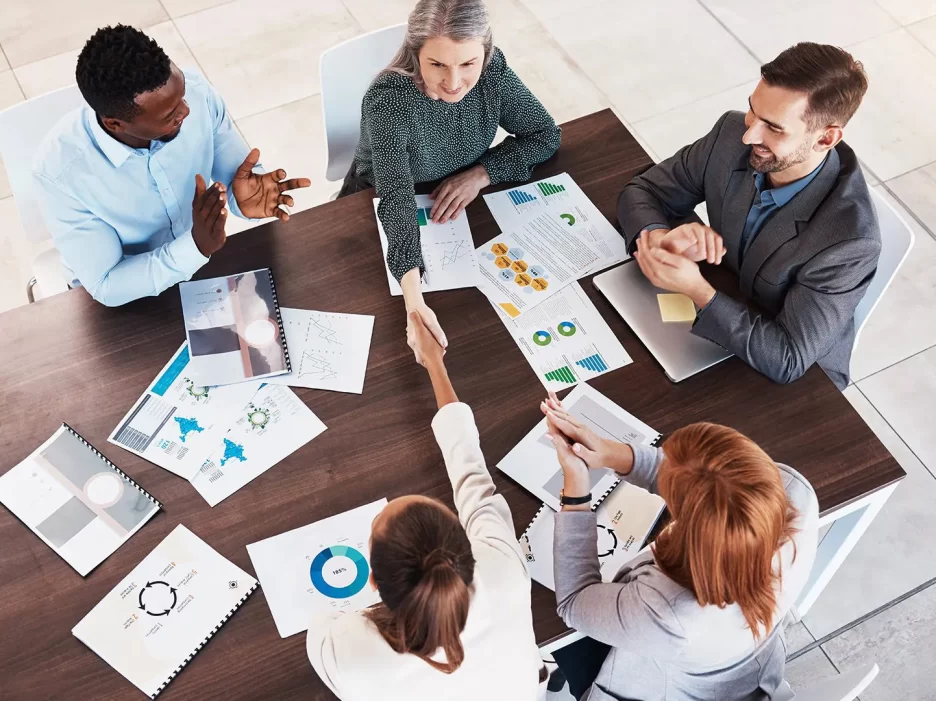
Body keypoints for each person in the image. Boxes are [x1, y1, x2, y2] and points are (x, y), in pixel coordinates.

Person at [305, 310, 544, 700]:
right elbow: (474, 480)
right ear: (466, 545)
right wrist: (435, 362)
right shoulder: (505, 571)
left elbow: (321, 622)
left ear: (373, 582)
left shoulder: (349, 650)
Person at [619, 42, 878, 389]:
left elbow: (788, 358)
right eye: (752, 111)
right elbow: (645, 190)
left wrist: (699, 291)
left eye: (773, 126)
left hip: (797, 378)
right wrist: (655, 235)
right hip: (730, 299)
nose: (749, 133)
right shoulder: (729, 135)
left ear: (825, 138)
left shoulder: (850, 241)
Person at [540, 392, 818, 701]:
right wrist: (610, 453)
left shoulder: (669, 613)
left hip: (660, 685)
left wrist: (577, 490)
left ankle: (547, 666)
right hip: (747, 664)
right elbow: (711, 481)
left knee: (551, 629)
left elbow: (574, 601)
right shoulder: (795, 492)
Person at [341, 0, 561, 364]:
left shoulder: (493, 71)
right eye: (437, 64)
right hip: (379, 198)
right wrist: (414, 304)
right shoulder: (389, 100)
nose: (455, 82)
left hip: (459, 194)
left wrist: (482, 173)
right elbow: (395, 197)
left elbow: (544, 135)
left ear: (485, 53)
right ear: (416, 55)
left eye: (468, 64)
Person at [33, 25, 311, 307]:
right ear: (115, 124)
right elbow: (107, 283)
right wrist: (195, 247)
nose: (186, 111)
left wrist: (245, 199)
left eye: (182, 96)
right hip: (123, 300)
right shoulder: (60, 173)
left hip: (198, 259)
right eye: (170, 114)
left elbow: (237, 177)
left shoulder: (199, 95)